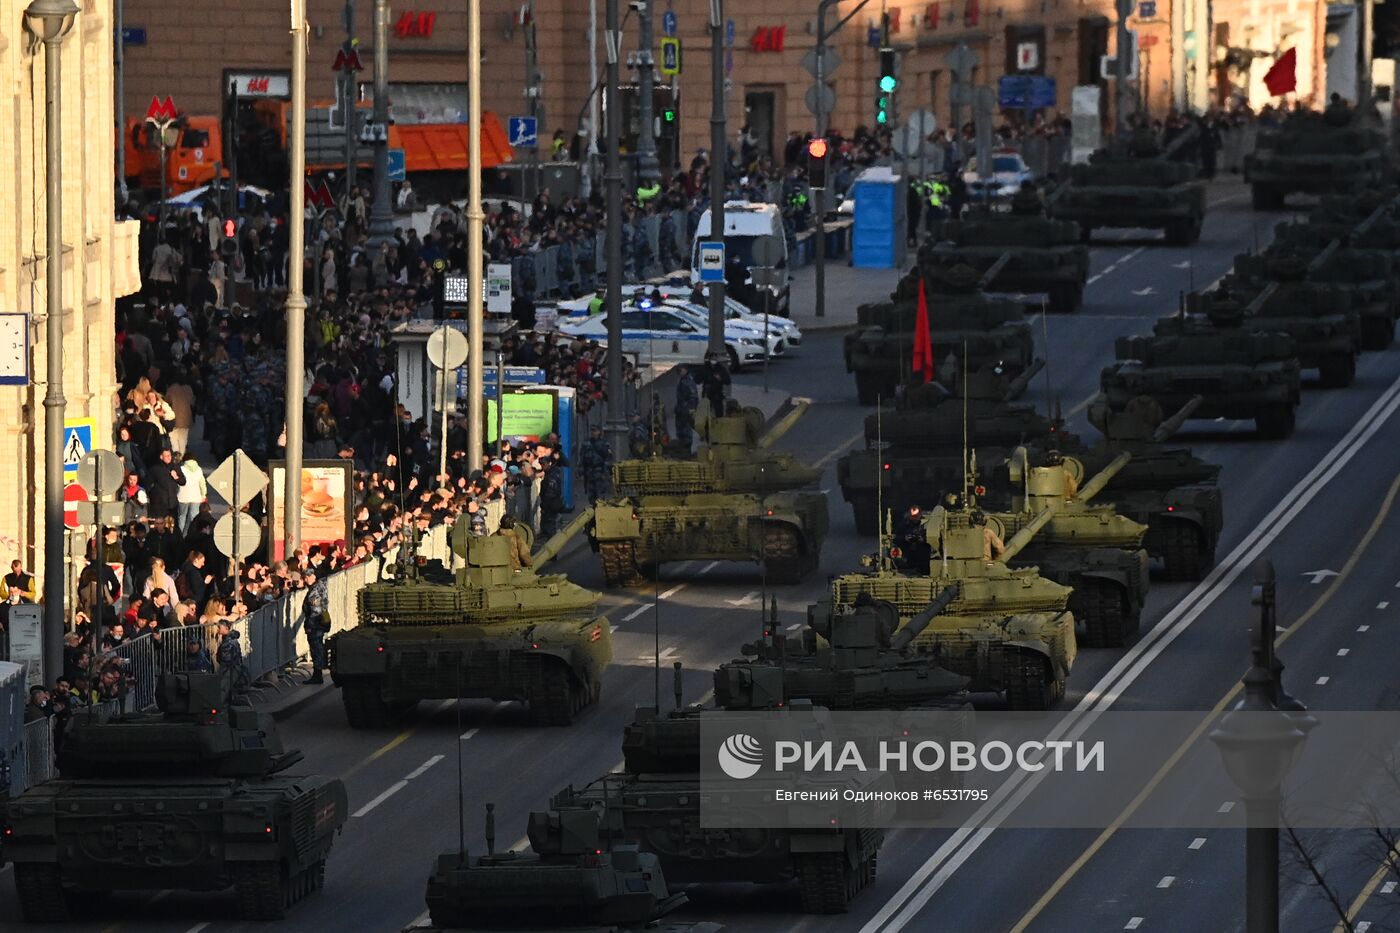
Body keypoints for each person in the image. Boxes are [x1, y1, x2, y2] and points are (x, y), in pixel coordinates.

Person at [301, 570, 331, 684]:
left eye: (307, 577)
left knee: (316, 648)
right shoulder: (321, 585)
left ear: (312, 576)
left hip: (316, 624)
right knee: (317, 647)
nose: (305, 580)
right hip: (319, 623)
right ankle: (317, 673)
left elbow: (315, 610)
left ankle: (318, 675)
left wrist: (310, 625)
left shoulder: (315, 590)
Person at [578, 425, 612, 503]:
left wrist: (606, 473)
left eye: (595, 431)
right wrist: (581, 469)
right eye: (592, 431)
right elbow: (582, 457)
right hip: (589, 473)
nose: (593, 433)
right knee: (591, 496)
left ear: (599, 432)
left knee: (600, 497)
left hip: (599, 473)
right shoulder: (586, 444)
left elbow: (608, 458)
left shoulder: (604, 444)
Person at [674, 365, 699, 449]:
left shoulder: (688, 381)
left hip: (686, 411)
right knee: (681, 432)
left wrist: (689, 409)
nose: (680, 372)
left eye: (681, 370)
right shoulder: (682, 380)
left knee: (686, 432)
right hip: (681, 410)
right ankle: (682, 447)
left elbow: (693, 397)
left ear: (685, 370)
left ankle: (686, 450)